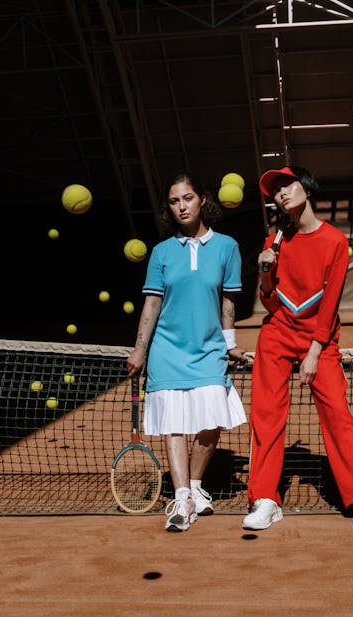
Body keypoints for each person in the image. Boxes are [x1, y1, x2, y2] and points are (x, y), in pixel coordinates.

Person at [244, 165, 353, 533]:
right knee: (266, 413)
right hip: (277, 333)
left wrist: (314, 352)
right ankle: (266, 499)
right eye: (276, 191)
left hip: (318, 338)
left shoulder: (335, 241)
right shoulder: (273, 242)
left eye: (287, 185)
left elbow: (331, 302)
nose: (282, 193)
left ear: (306, 187)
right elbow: (271, 304)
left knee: (336, 409)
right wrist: (264, 272)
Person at [126, 173, 247, 533]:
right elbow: (151, 304)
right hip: (167, 351)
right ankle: (182, 497)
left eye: (188, 198)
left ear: (202, 201)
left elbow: (228, 301)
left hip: (209, 349)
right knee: (174, 424)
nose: (181, 206)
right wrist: (139, 350)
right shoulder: (161, 252)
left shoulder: (227, 247)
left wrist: (229, 345)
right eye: (175, 201)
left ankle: (195, 487)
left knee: (212, 421)